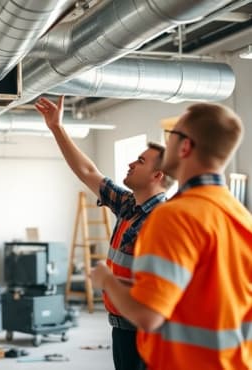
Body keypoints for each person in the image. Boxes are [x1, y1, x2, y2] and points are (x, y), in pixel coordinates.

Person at [91, 102, 252, 370]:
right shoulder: (241, 217)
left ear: (185, 146)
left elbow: (148, 315)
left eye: (173, 134)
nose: (167, 141)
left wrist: (106, 280)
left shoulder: (175, 216)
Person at [35, 95, 173, 370]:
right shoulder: (129, 206)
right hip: (121, 329)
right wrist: (57, 127)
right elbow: (87, 171)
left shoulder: (162, 221)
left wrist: (108, 281)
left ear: (157, 176)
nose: (132, 164)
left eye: (141, 161)